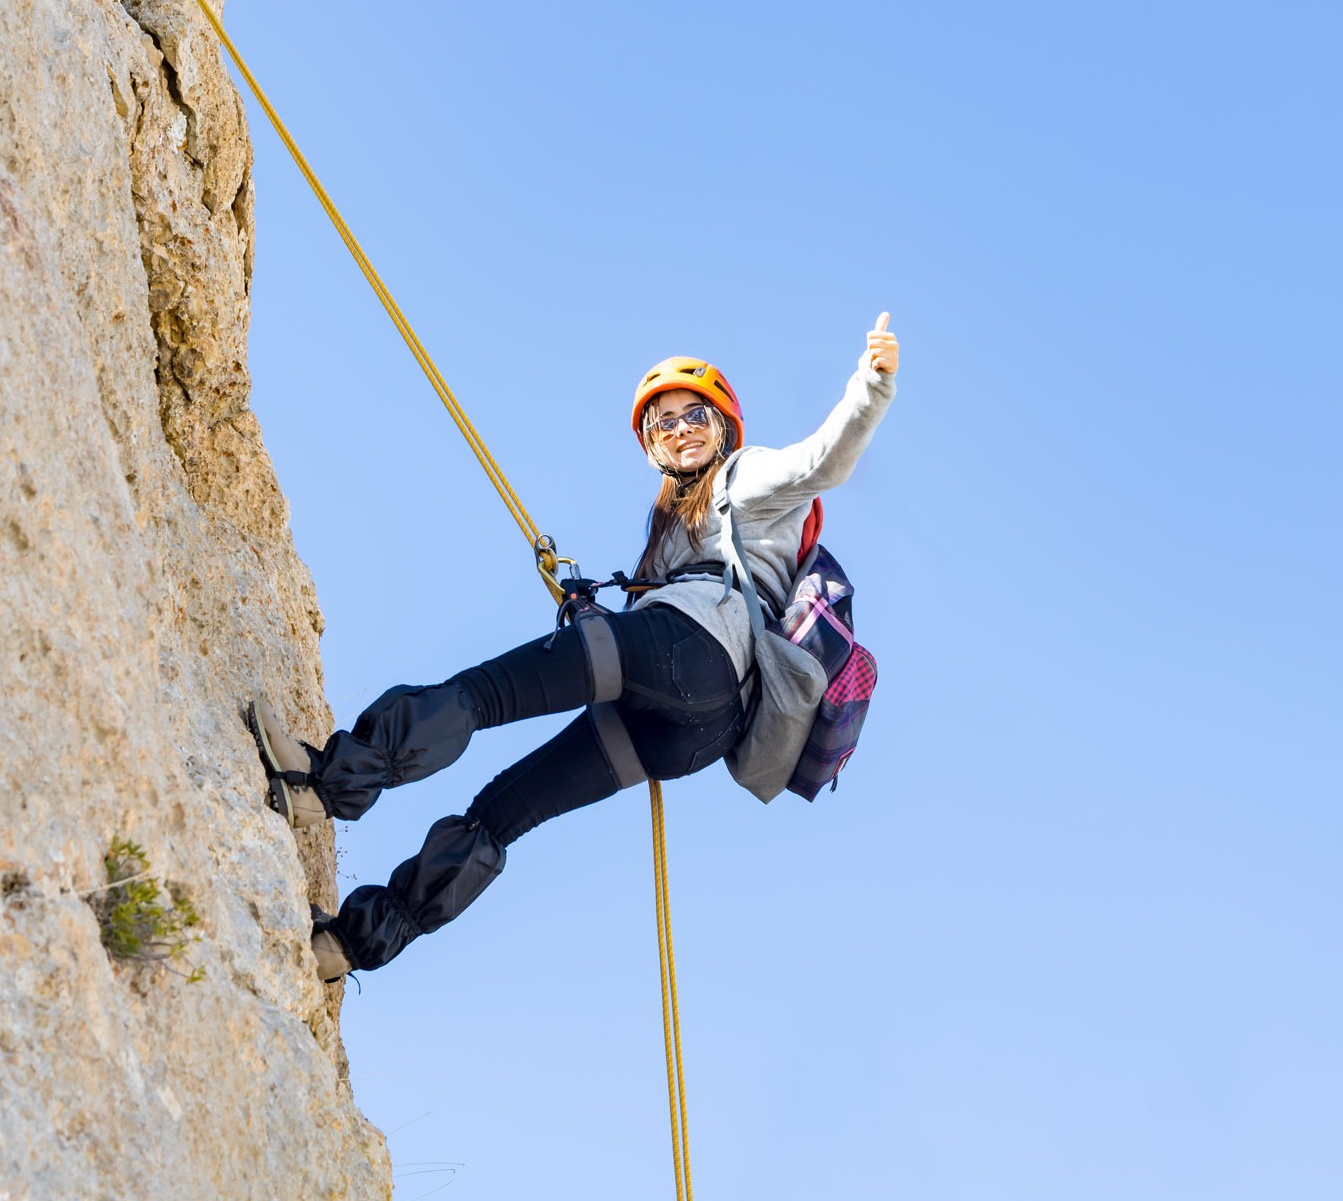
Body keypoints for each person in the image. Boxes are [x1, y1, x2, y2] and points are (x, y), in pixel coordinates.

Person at [249, 313, 900, 979]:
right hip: (696, 731)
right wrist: (599, 612)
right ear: (652, 444)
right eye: (665, 422)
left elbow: (826, 458)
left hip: (691, 650)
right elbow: (658, 620)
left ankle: (324, 784)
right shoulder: (673, 525)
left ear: (724, 425)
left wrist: (870, 384)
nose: (680, 429)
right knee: (499, 815)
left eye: (694, 415)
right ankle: (350, 947)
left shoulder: (749, 477)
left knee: (482, 695)